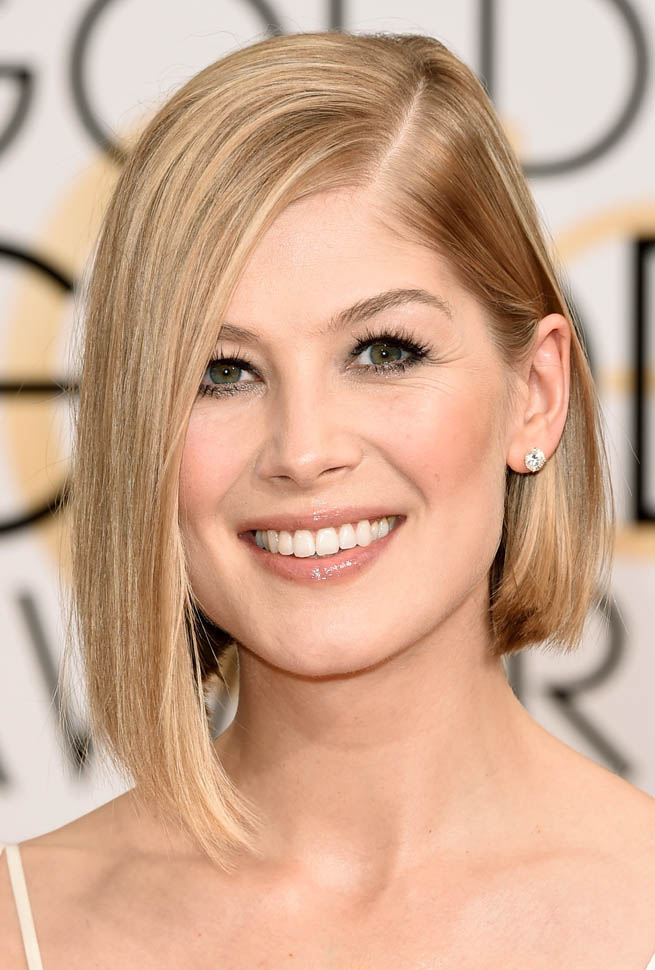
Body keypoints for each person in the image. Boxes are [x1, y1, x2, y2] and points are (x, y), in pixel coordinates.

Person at [1, 29, 654, 969]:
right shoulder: (22, 927)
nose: (302, 451)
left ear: (536, 394)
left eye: (383, 352)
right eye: (221, 372)